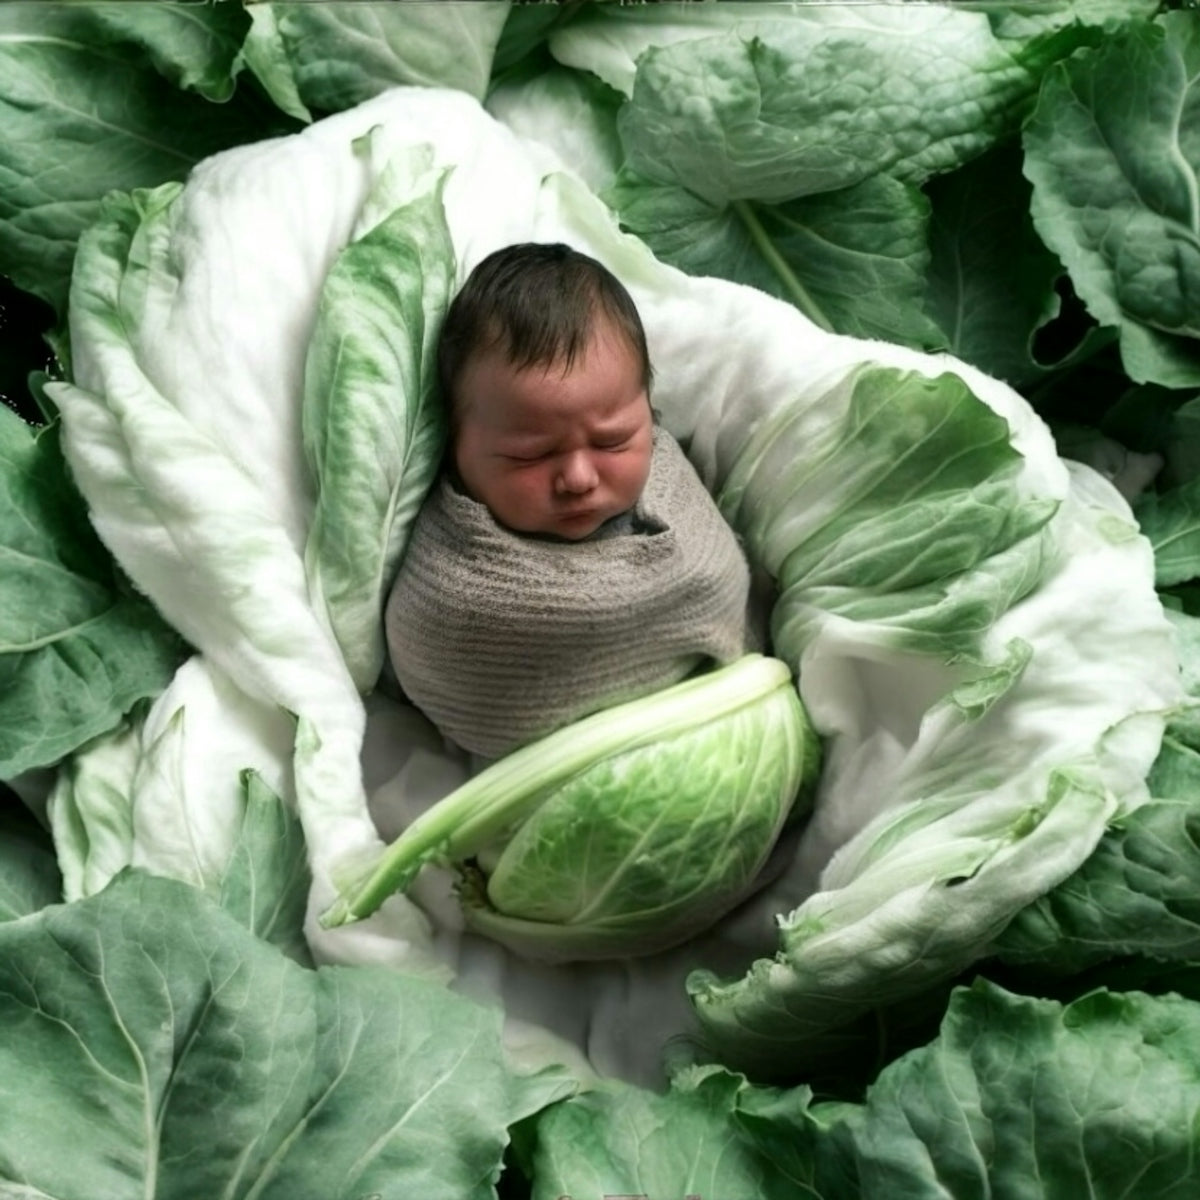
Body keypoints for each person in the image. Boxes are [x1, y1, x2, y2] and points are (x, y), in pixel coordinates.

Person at [385, 242, 752, 759]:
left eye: (612, 441)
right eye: (530, 456)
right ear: (454, 448)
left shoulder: (669, 481)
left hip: (710, 737)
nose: (578, 477)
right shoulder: (454, 590)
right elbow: (426, 648)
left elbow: (717, 579)